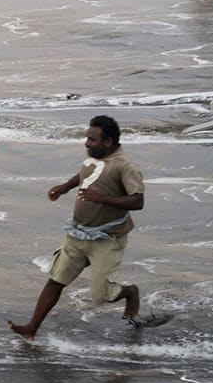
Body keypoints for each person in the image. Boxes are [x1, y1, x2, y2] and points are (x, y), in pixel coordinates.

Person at [9, 115, 145, 339]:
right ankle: (31, 328)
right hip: (77, 233)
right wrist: (64, 187)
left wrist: (101, 198)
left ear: (108, 141)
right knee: (56, 281)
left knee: (104, 296)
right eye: (87, 138)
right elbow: (86, 175)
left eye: (92, 140)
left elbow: (137, 201)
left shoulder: (125, 166)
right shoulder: (95, 156)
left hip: (106, 238)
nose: (86, 143)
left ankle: (130, 293)